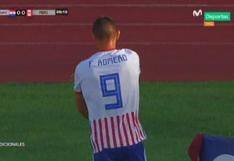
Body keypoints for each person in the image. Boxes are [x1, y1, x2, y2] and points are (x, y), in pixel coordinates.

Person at [74, 16, 147, 161]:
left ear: (94, 36)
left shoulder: (82, 68)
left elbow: (81, 107)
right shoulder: (132, 58)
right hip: (132, 140)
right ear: (118, 34)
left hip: (103, 145)